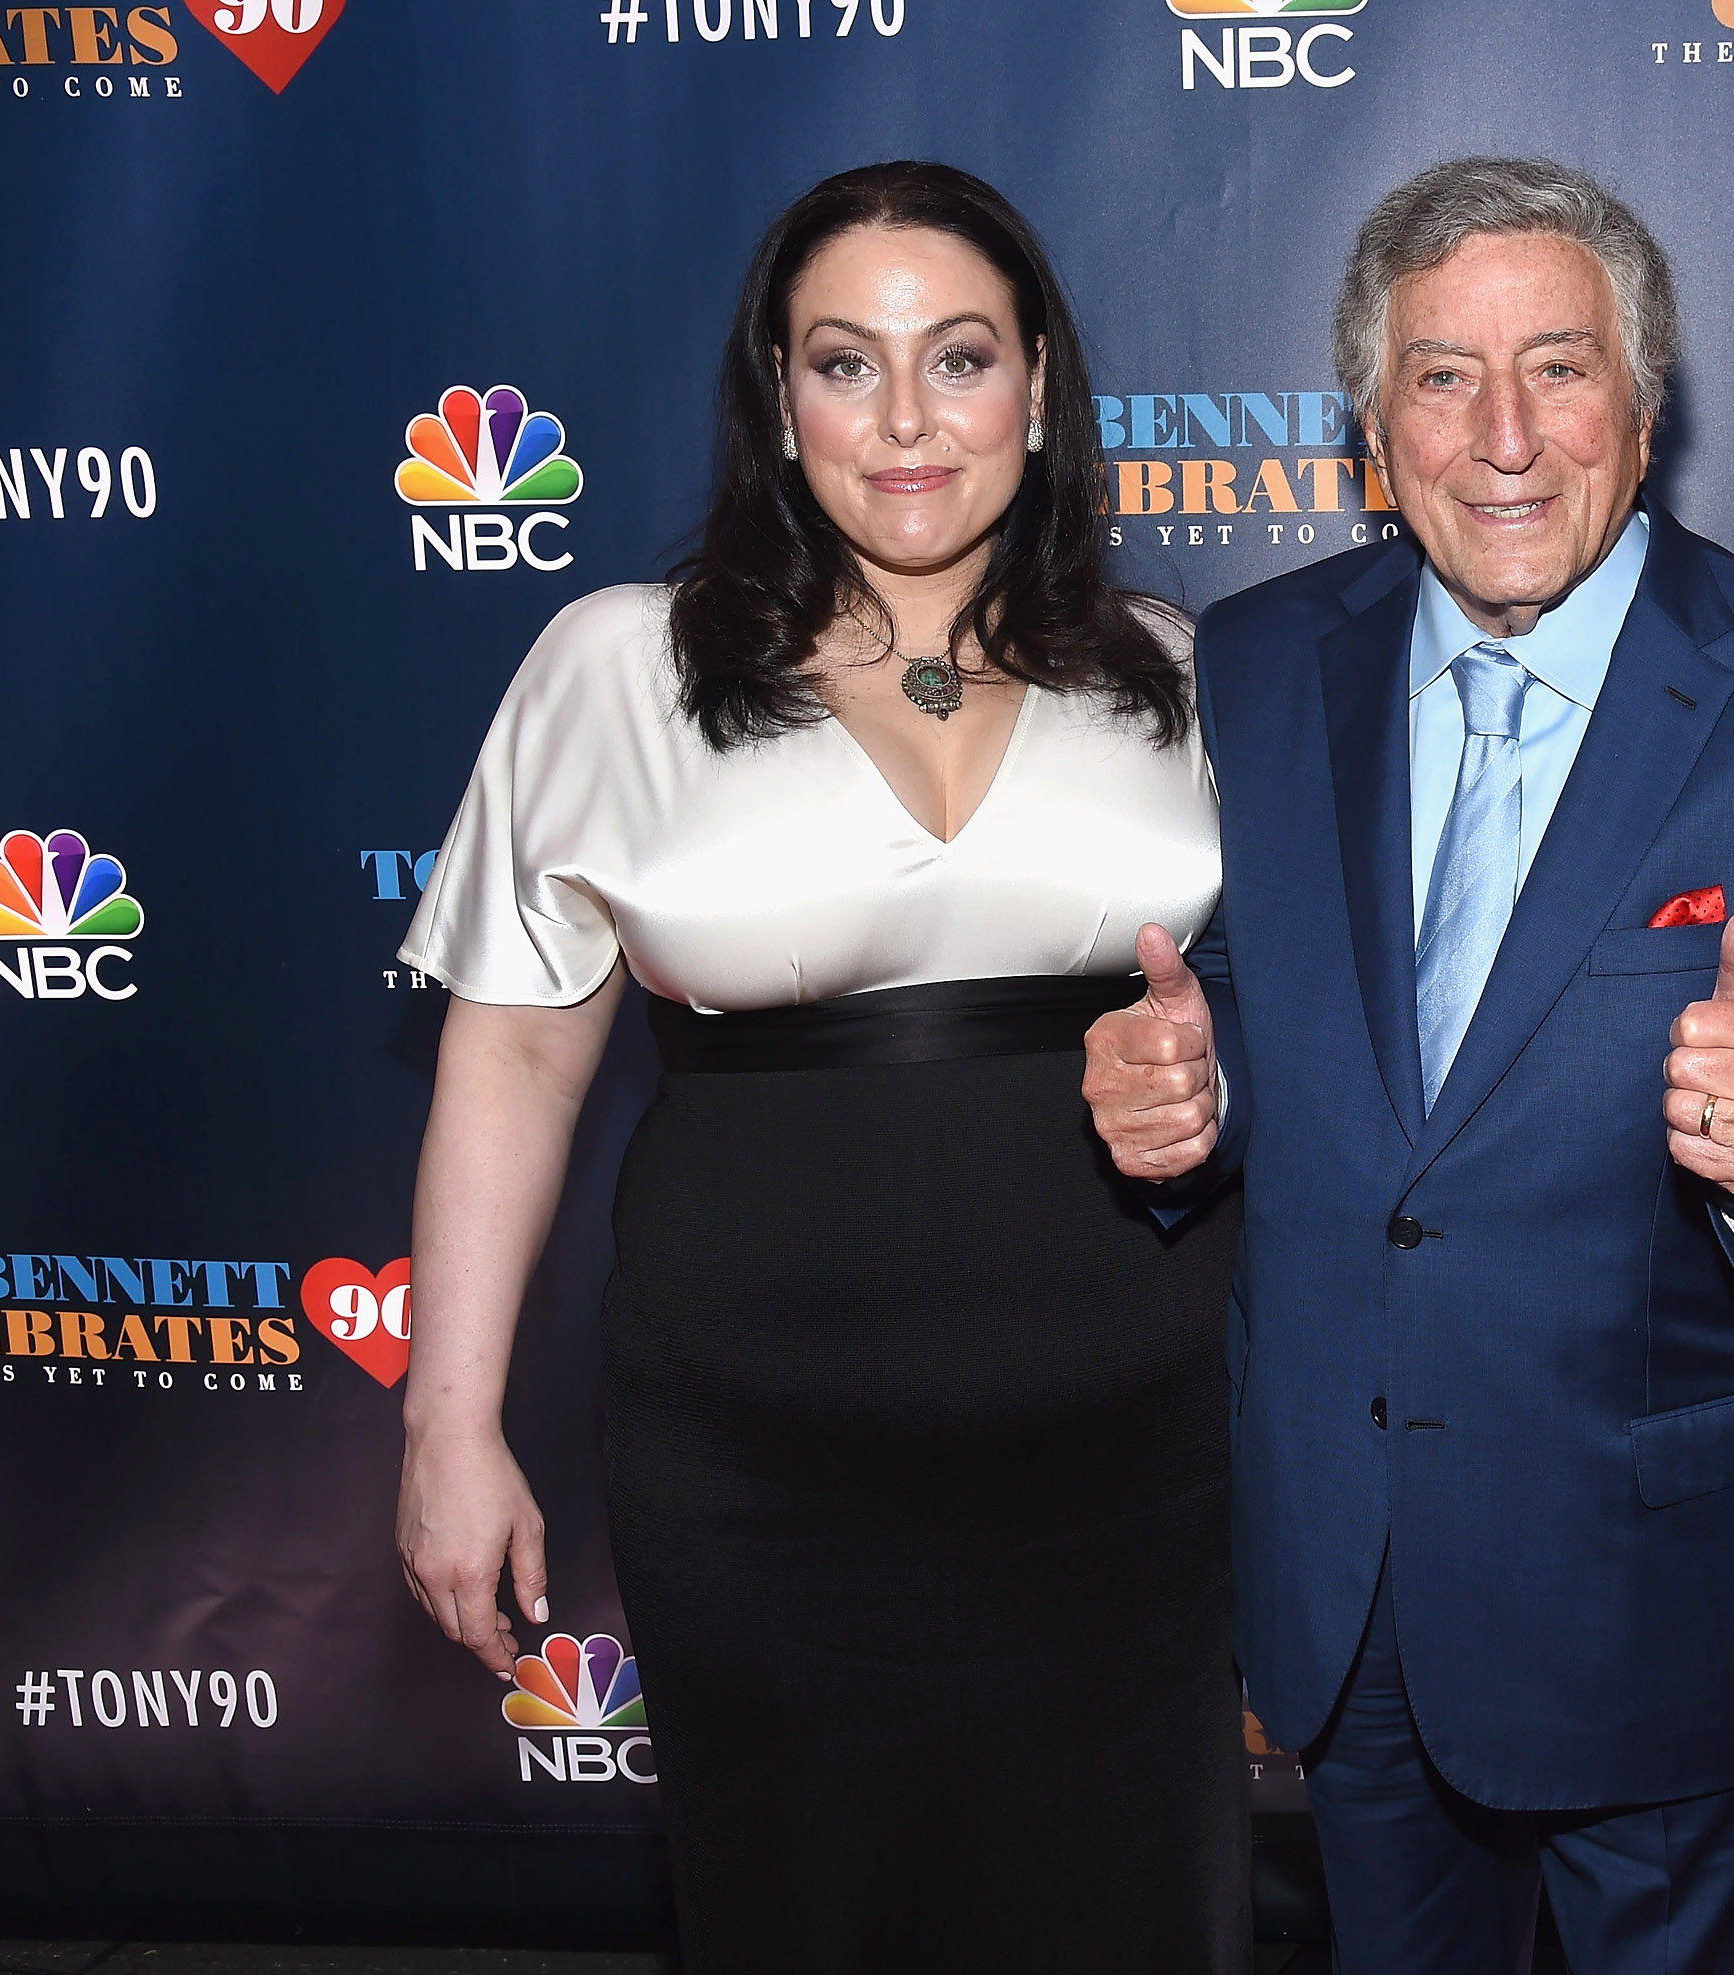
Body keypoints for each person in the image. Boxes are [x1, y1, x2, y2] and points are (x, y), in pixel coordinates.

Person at [1083, 156, 1734, 1975]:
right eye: (1441, 376)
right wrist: (1205, 1083)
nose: (1504, 435)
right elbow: (1265, 993)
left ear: (1644, 412)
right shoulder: (1256, 662)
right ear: (1372, 418)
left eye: (1559, 368)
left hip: (1655, 1584)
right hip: (1353, 1573)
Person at [391, 161, 1248, 1973]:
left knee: (1124, 1916)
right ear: (781, 404)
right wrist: (447, 1423)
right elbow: (518, 1062)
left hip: (1130, 1455)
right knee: (804, 1912)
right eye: (847, 363)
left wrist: (1213, 1079)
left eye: (961, 357)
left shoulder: (1174, 673)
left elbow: (1268, 1035)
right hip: (758, 1468)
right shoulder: (618, 667)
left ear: (1040, 387)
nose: (911, 420)